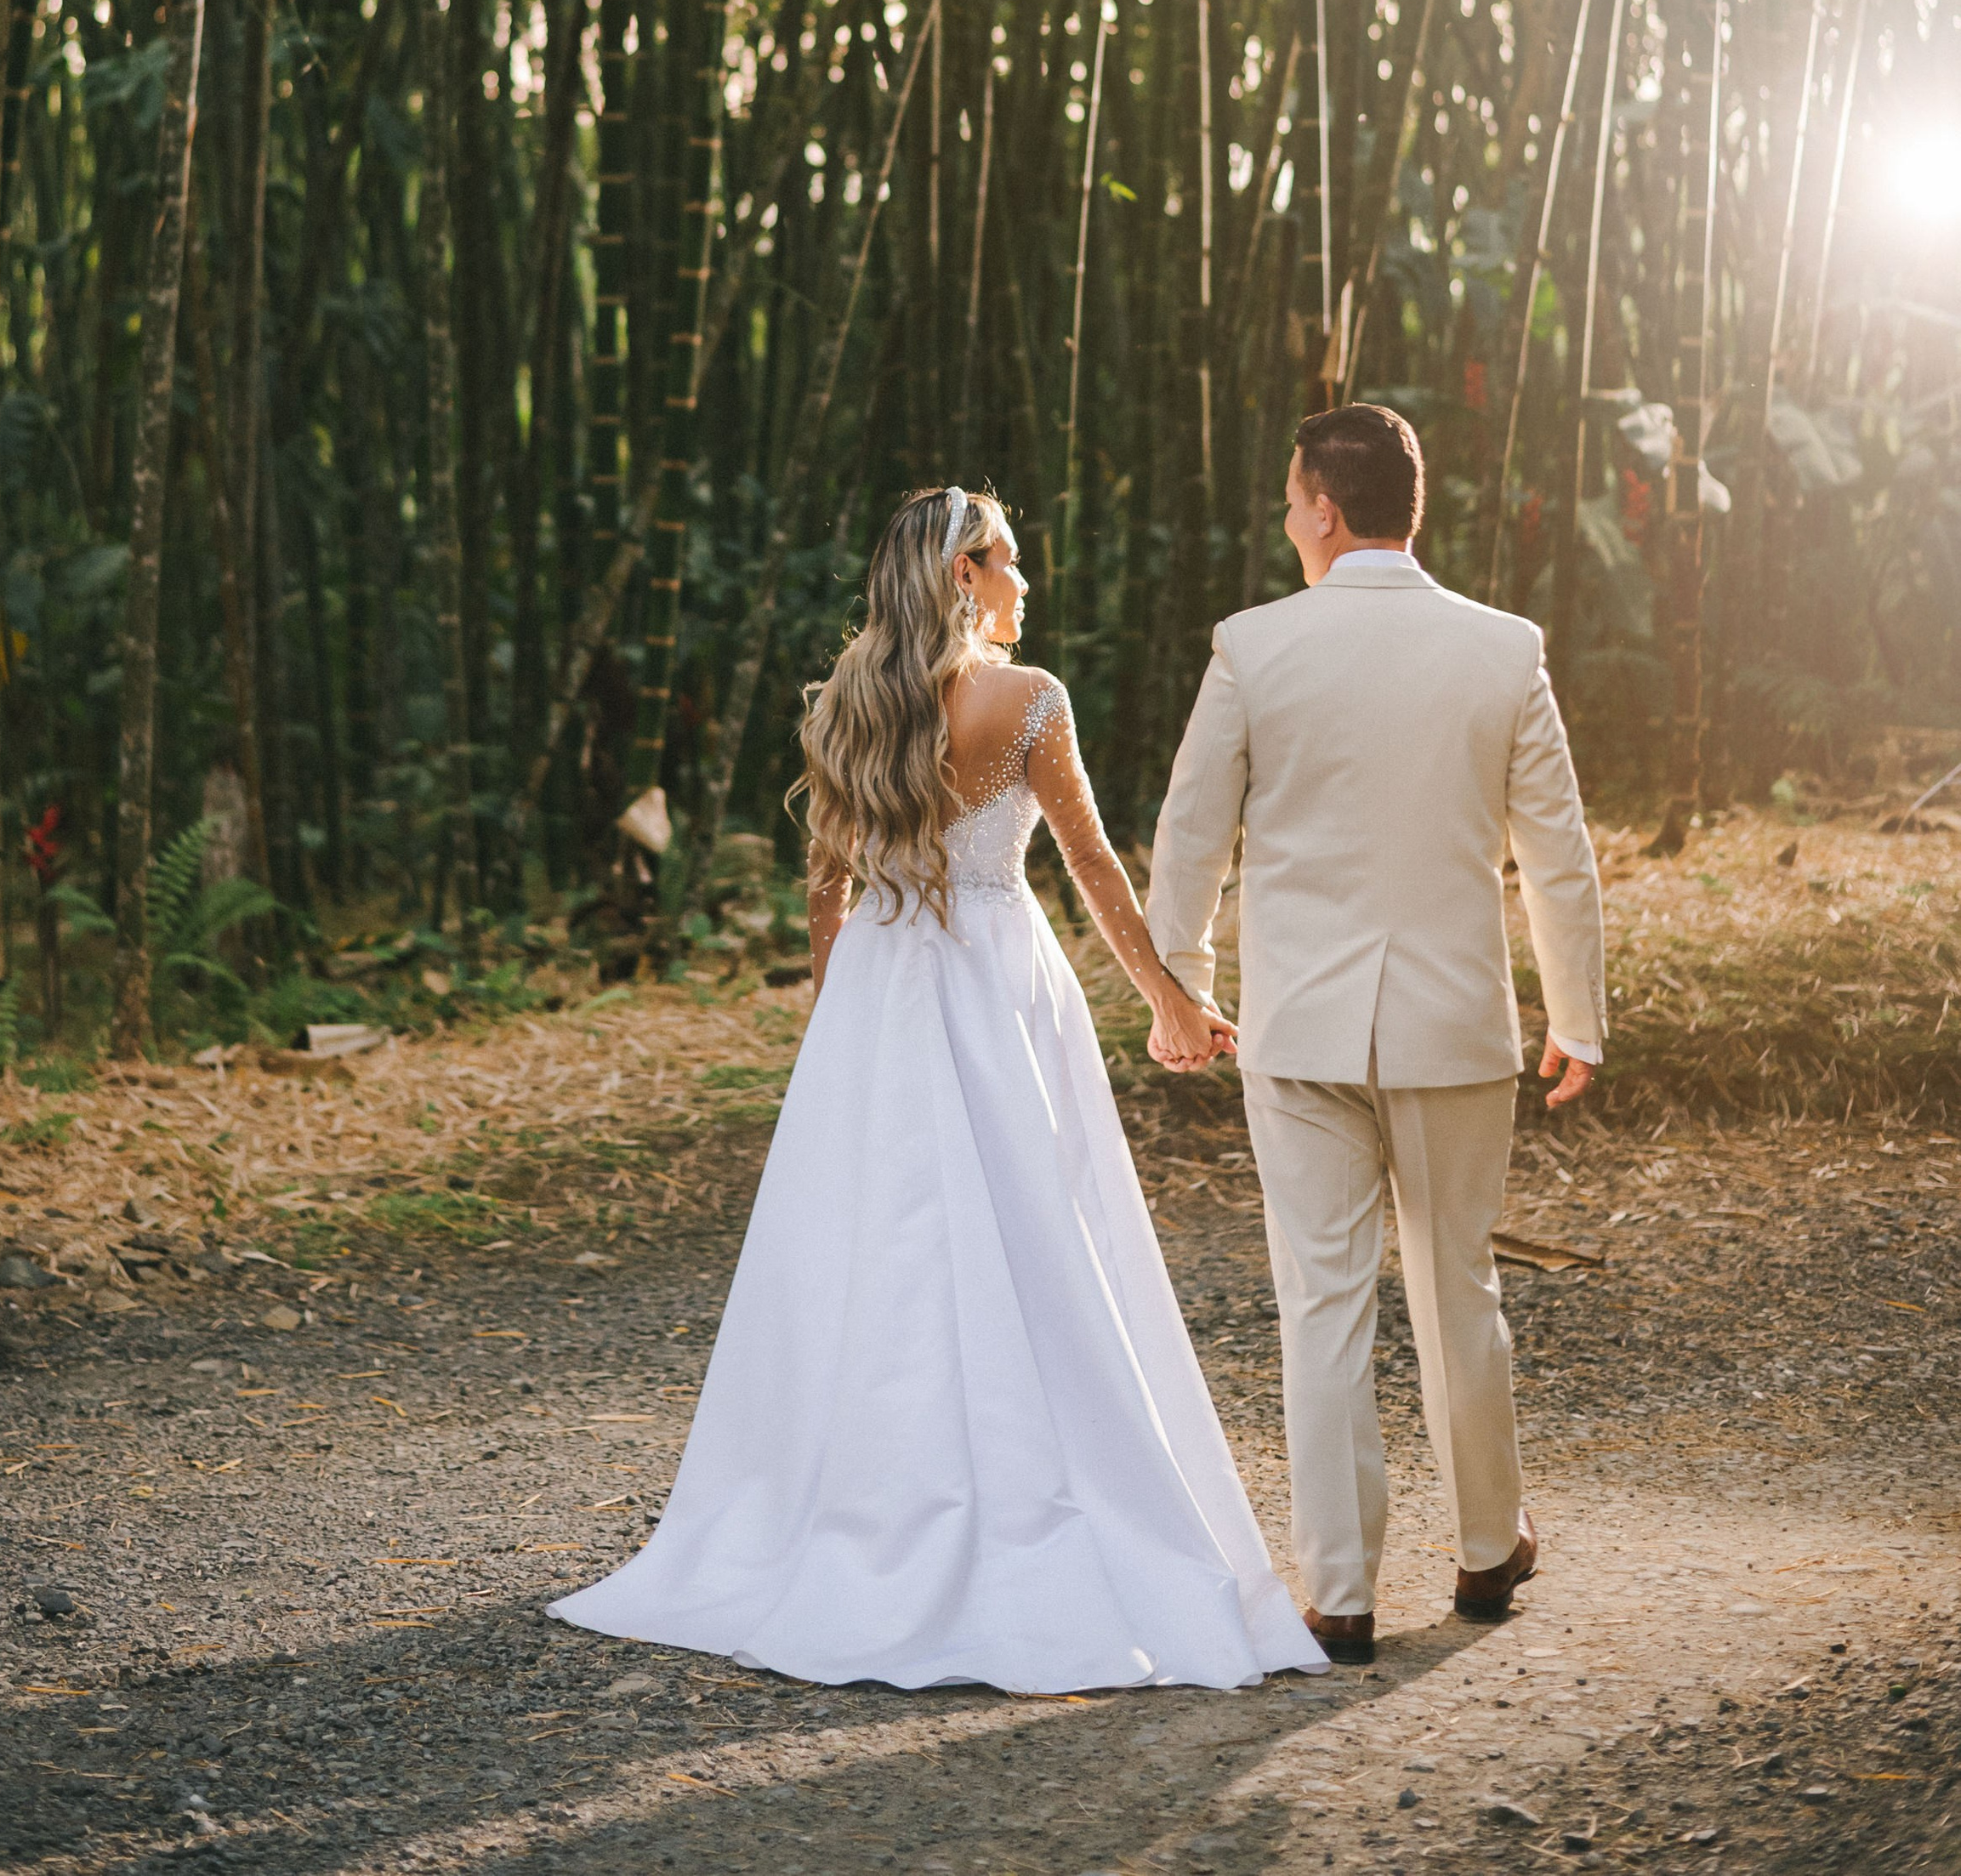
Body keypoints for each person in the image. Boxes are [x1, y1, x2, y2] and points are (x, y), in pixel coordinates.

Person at [549, 482, 1324, 1692]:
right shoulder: (1030, 702)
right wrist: (1168, 998)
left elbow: (826, 880)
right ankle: (1030, 1488)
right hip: (998, 981)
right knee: (1032, 1236)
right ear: (962, 574)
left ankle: (855, 1507)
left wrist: (832, 1003)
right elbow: (1091, 865)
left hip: (881, 983)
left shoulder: (851, 696)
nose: (1027, 581)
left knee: (878, 1250)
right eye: (1008, 560)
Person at [1145, 402, 1608, 1666]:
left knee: (1323, 1305)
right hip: (1456, 1028)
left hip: (1296, 1033)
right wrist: (1577, 1018)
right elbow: (1556, 856)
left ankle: (1337, 1595)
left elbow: (1191, 832)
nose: (1286, 521)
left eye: (1291, 501)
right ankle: (1483, 1551)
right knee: (1460, 1285)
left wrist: (1176, 986)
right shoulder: (1503, 650)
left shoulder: (1254, 647)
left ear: (1326, 509)